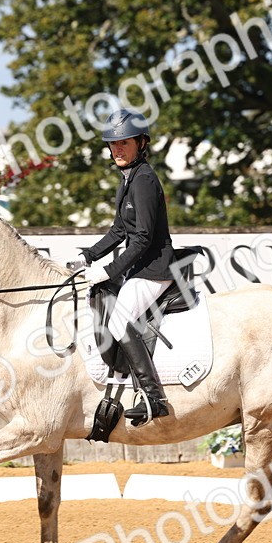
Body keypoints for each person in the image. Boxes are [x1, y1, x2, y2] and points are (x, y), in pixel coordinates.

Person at [74, 108, 175, 426]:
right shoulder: (128, 178)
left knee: (118, 320)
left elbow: (143, 237)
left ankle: (153, 398)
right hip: (138, 268)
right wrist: (88, 256)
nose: (117, 150)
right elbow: (120, 230)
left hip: (154, 268)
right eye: (113, 145)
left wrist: (109, 270)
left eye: (124, 144)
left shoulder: (144, 180)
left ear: (141, 143)